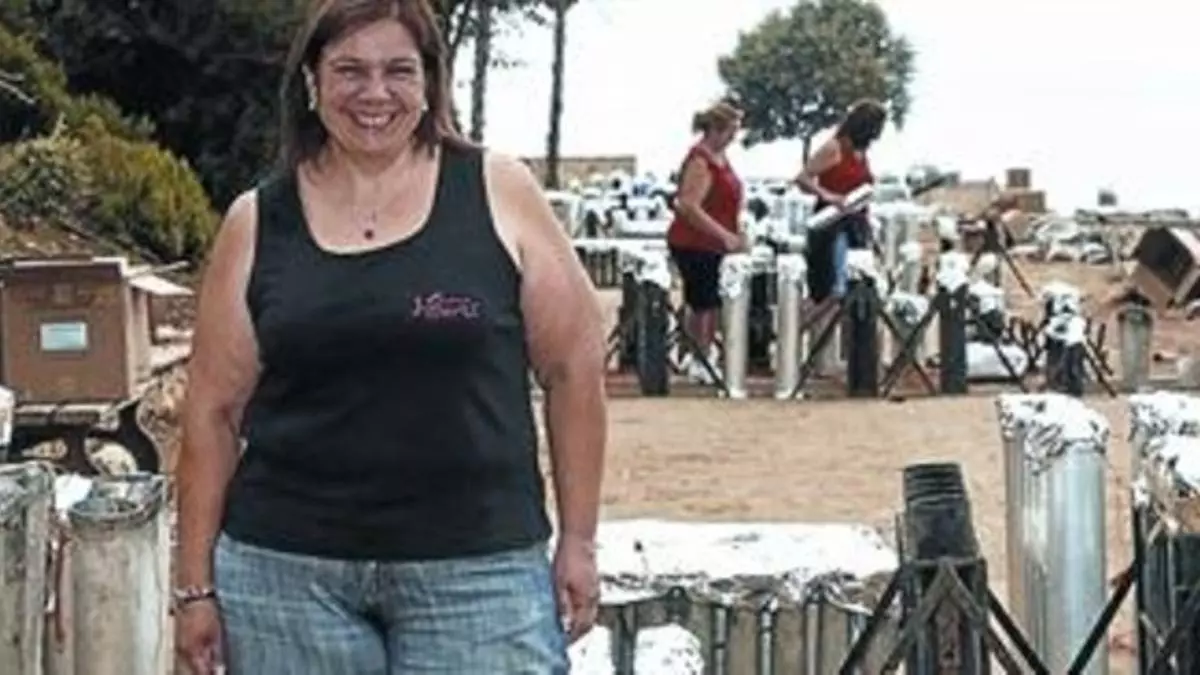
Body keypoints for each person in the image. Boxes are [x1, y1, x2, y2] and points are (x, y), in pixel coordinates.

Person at [173, 1, 606, 673]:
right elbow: (213, 412)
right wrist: (195, 588)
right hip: (285, 581)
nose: (374, 93)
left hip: (480, 574)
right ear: (312, 82)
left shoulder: (500, 191)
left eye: (398, 70)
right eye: (349, 70)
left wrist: (579, 539)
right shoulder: (255, 221)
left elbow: (574, 368)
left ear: (429, 81)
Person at [792, 99, 887, 372]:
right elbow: (803, 178)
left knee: (853, 289)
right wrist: (829, 195)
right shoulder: (835, 147)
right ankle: (792, 334)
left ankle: (841, 356)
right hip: (832, 225)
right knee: (834, 290)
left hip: (856, 223)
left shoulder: (861, 153)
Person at [665, 100, 747, 383]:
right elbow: (689, 205)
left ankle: (700, 352)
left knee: (706, 301)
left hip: (714, 243)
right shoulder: (700, 160)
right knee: (704, 302)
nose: (733, 138)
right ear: (714, 130)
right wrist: (723, 234)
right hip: (695, 242)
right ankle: (700, 355)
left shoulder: (720, 158)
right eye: (729, 131)